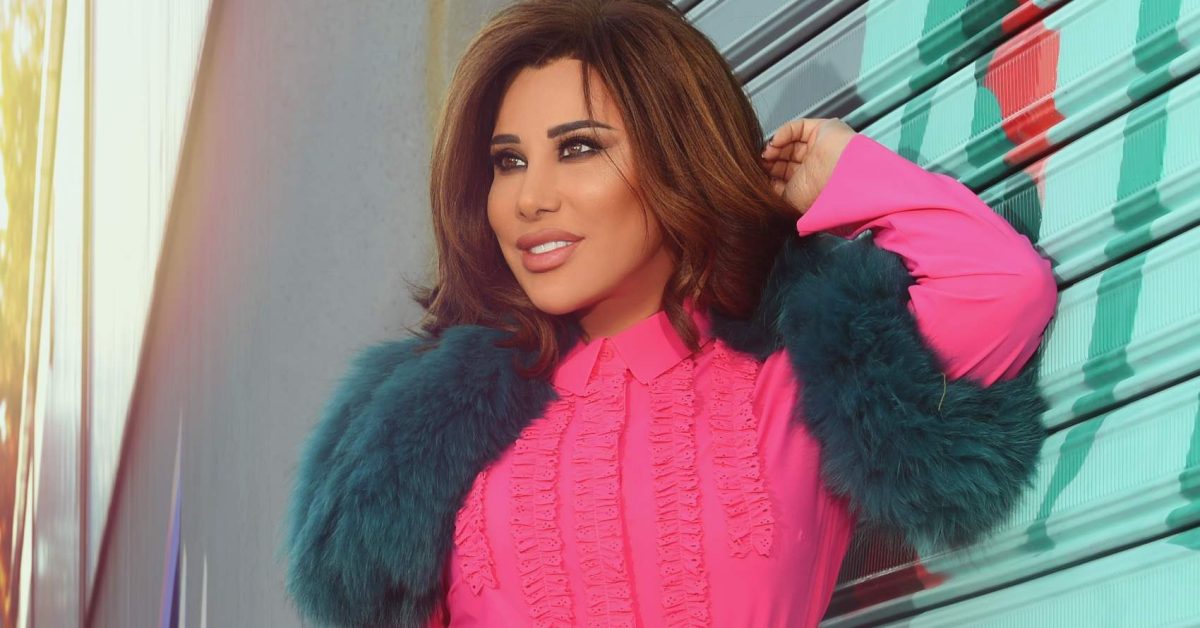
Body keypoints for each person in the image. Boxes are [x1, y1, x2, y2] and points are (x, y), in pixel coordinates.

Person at [282, 1, 1059, 626]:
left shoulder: (788, 380)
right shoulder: (440, 432)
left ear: (676, 155)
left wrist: (847, 179)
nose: (528, 198)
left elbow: (1002, 287)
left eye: (577, 148)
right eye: (507, 161)